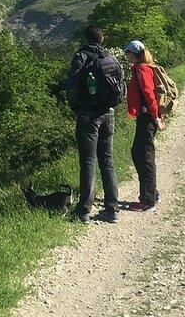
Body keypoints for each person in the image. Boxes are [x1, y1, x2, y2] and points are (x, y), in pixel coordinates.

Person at [66, 26, 124, 223]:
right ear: (102, 39)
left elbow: (72, 86)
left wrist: (76, 107)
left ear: (85, 39)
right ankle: (112, 210)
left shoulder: (81, 57)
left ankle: (83, 211)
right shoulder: (110, 58)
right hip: (109, 114)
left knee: (88, 161)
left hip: (88, 115)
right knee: (107, 161)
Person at [125, 39, 164, 212]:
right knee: (139, 153)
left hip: (147, 117)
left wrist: (156, 116)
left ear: (133, 54)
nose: (126, 56)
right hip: (146, 116)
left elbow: (149, 94)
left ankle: (148, 201)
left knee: (144, 157)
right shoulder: (143, 68)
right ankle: (151, 194)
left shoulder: (141, 69)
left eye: (127, 53)